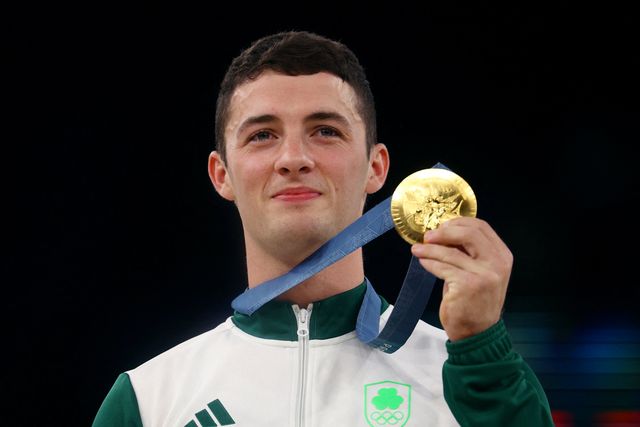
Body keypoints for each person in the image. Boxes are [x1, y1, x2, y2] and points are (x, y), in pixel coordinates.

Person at [93, 31, 553, 426]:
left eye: (326, 131)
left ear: (376, 168)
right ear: (222, 175)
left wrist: (480, 347)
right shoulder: (148, 400)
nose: (294, 158)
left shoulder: (471, 379)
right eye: (262, 135)